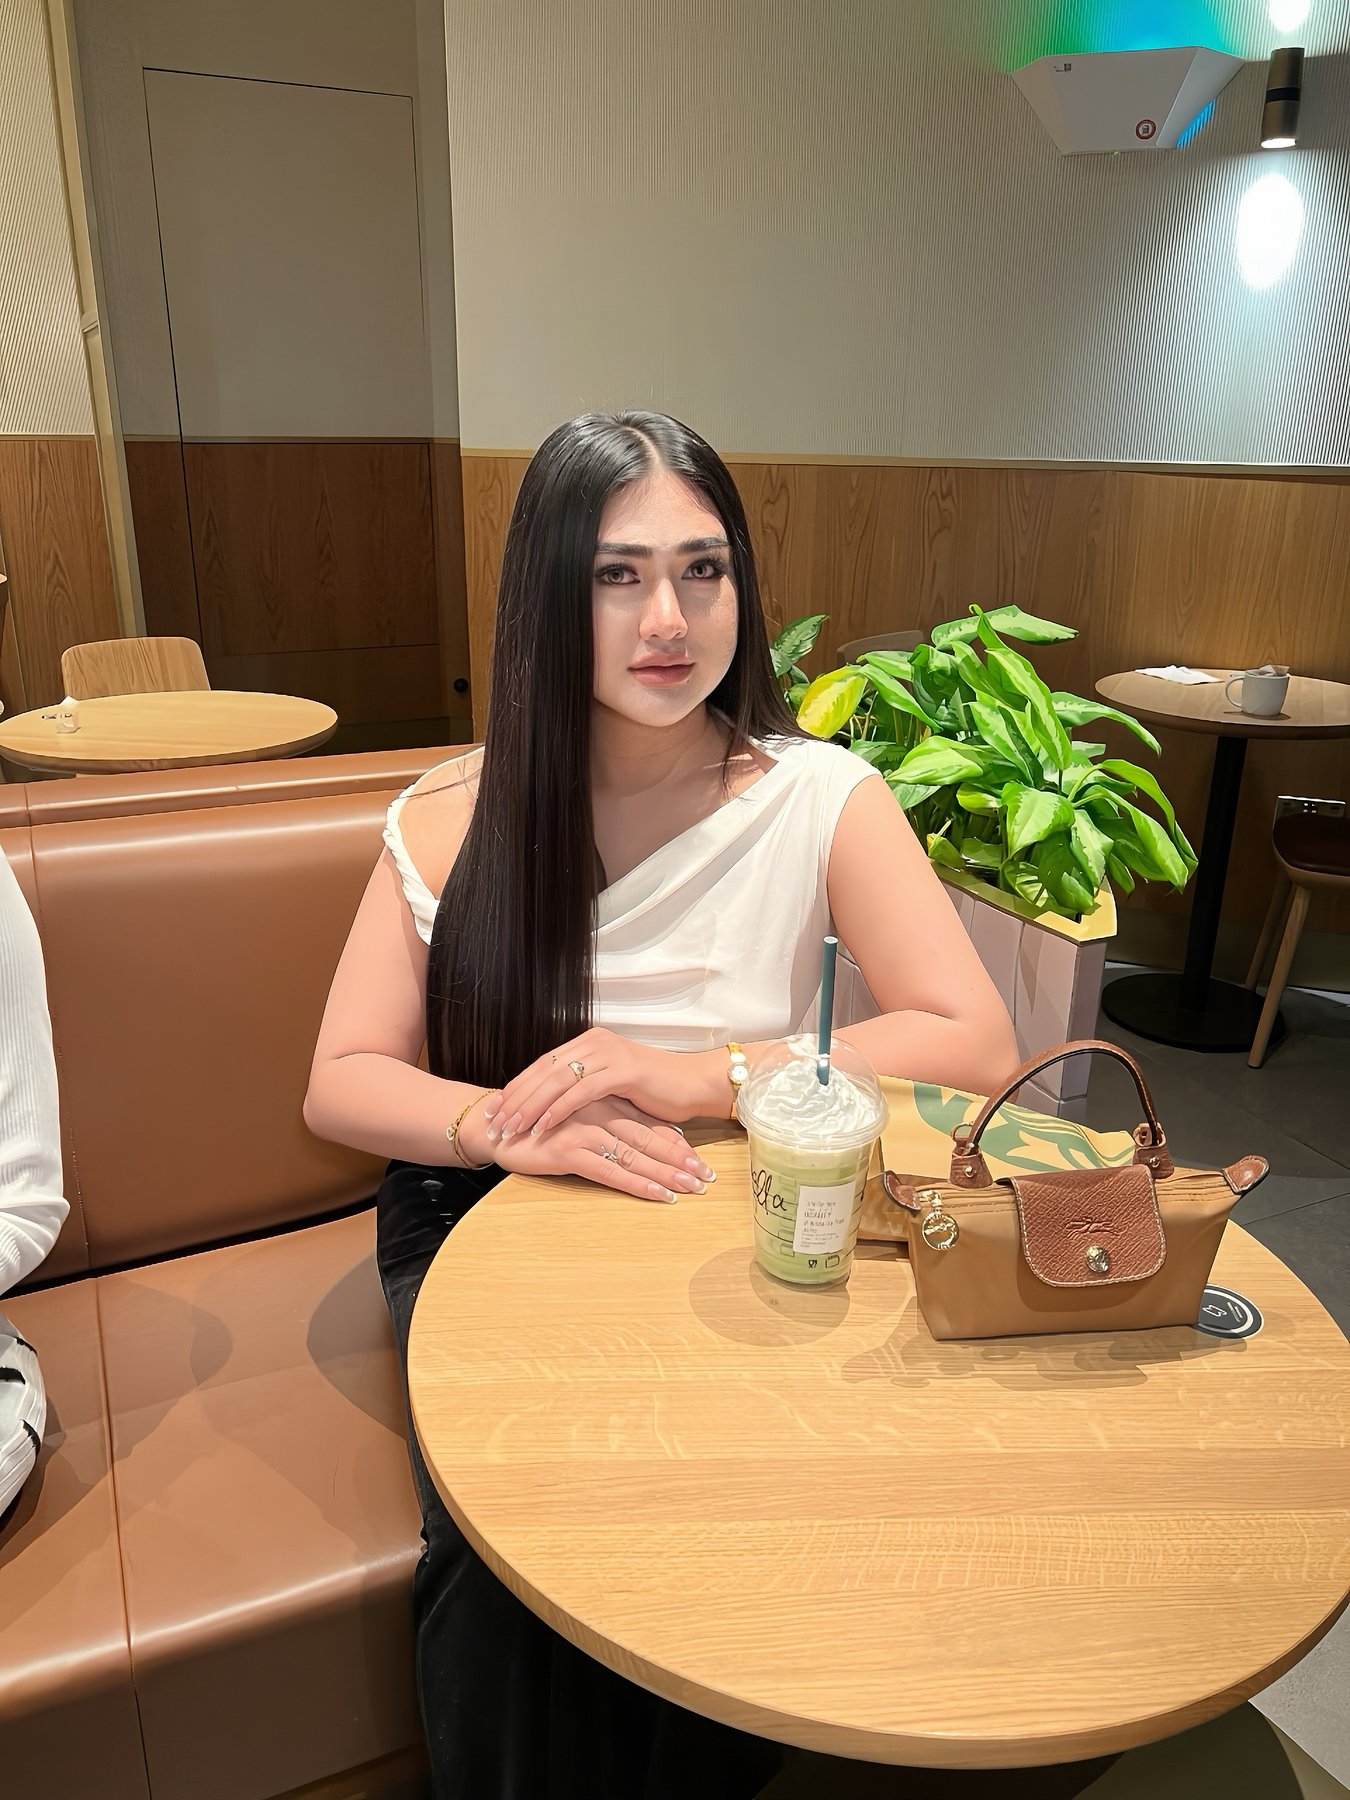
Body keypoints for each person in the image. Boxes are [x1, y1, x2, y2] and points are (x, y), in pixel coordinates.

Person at [305, 410, 1018, 1798]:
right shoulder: (452, 811)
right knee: (514, 1546)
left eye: (703, 569)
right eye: (616, 576)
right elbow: (342, 1078)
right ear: (546, 595)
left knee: (750, 1498)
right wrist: (503, 1125)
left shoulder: (821, 797)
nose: (669, 619)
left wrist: (699, 1075)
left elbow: (972, 1040)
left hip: (728, 1192)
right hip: (484, 1208)